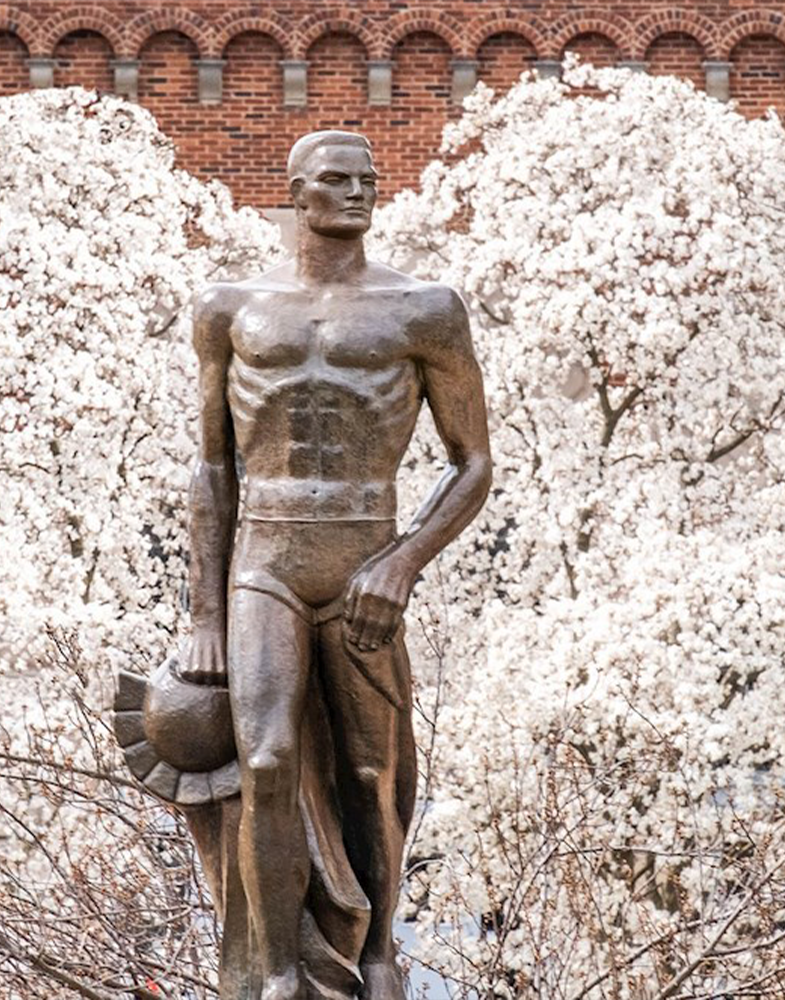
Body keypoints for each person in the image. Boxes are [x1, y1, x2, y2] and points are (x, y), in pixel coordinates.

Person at [183, 130, 492, 1000]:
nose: (356, 194)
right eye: (335, 181)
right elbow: (212, 468)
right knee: (268, 761)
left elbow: (474, 463)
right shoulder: (230, 308)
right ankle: (275, 970)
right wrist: (204, 614)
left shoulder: (424, 309)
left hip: (363, 562)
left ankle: (382, 949)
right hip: (266, 562)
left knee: (372, 774)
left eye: (368, 180)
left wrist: (403, 565)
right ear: (296, 193)